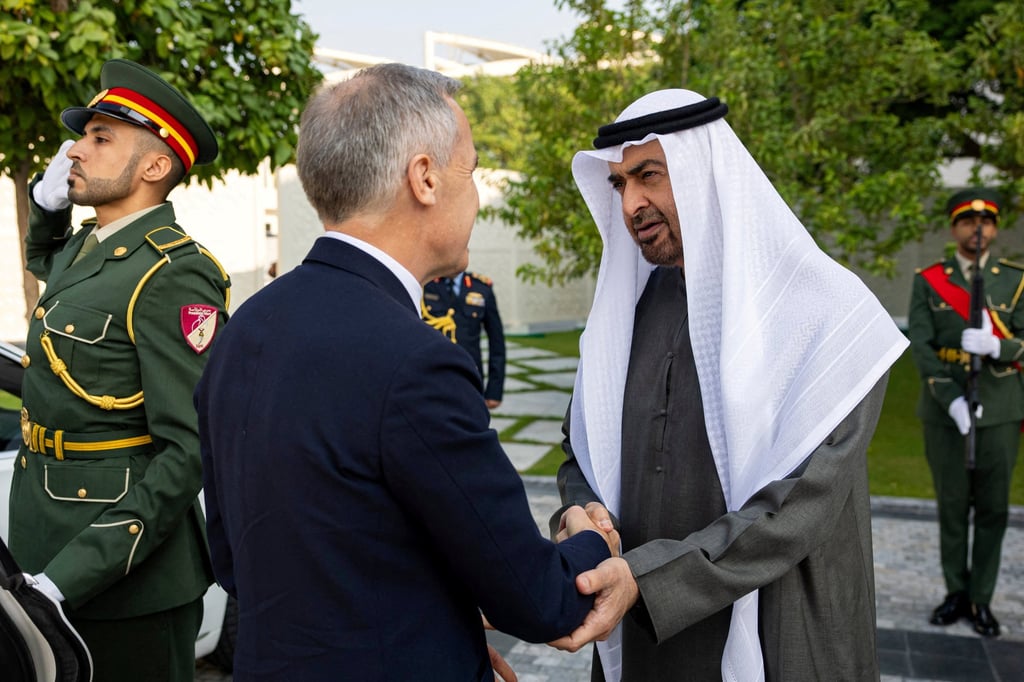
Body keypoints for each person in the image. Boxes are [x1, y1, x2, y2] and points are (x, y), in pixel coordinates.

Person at [193, 63, 617, 682]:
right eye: (470, 172)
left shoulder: (244, 331)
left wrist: (435, 623)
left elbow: (238, 559)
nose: (474, 195)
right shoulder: (415, 360)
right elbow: (539, 599)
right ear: (424, 177)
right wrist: (591, 540)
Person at [545, 89, 909, 681]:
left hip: (779, 632)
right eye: (619, 185)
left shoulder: (826, 315)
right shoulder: (631, 311)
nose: (632, 203)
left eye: (649, 176)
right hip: (641, 632)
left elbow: (797, 506)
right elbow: (579, 447)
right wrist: (579, 511)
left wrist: (651, 580)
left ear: (704, 172)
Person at [8, 59, 229, 682]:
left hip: (129, 578)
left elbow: (187, 454)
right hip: (43, 538)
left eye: (100, 138)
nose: (75, 149)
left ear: (155, 167)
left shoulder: (173, 273)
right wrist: (45, 208)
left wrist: (71, 575)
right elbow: (47, 263)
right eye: (85, 135)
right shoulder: (88, 244)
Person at [907, 188, 1022, 638]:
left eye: (988, 222)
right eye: (969, 222)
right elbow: (920, 344)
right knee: (953, 506)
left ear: (995, 228)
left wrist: (1000, 346)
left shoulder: (1015, 280)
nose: (979, 230)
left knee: (993, 509)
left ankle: (981, 599)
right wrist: (949, 398)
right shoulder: (929, 278)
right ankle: (955, 591)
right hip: (946, 409)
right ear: (954, 228)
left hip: (999, 410)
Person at [423, 269, 507, 407]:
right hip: (431, 377)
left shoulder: (481, 287)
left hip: (470, 377)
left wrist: (494, 390)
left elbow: (496, 342)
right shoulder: (426, 284)